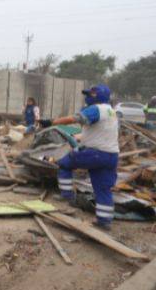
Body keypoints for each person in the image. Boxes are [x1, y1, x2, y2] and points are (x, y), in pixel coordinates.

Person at [40, 84, 119, 230]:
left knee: (64, 163)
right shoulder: (111, 112)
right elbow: (100, 133)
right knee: (103, 189)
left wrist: (51, 122)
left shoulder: (96, 109)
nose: (87, 97)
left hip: (95, 153)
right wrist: (78, 137)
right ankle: (104, 221)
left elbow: (74, 119)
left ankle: (67, 196)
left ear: (97, 95)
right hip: (111, 155)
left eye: (90, 94)